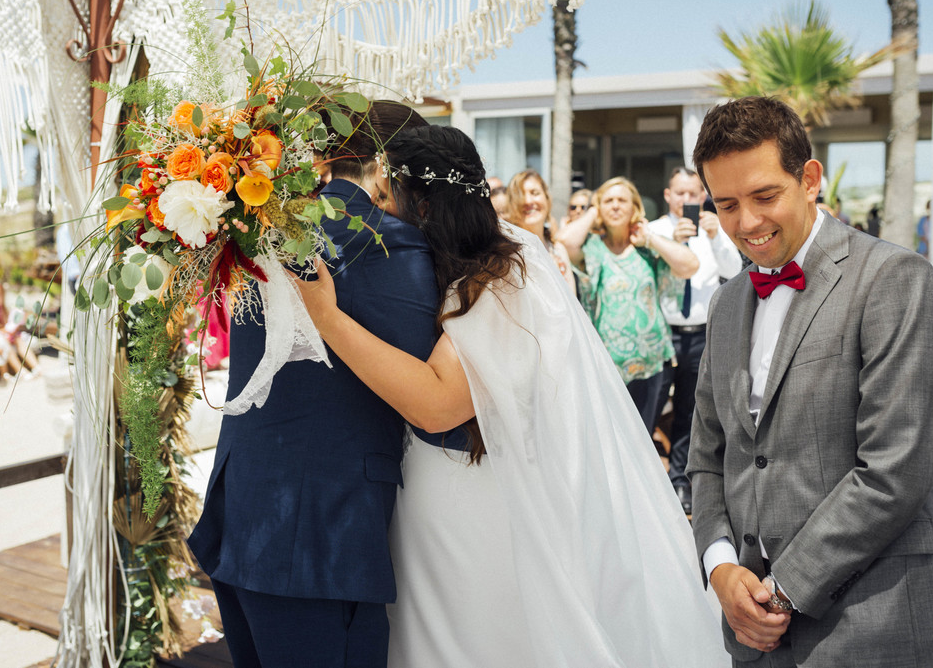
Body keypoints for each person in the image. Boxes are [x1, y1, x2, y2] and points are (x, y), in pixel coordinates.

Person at [295, 125, 728, 668]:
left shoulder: (502, 274)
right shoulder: (473, 260)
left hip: (472, 499)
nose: (379, 211)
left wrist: (326, 317)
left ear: (421, 204)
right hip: (439, 492)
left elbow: (438, 404)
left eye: (385, 197)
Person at [687, 96, 933, 667]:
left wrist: (784, 587)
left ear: (810, 179)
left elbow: (894, 471)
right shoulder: (725, 306)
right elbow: (708, 455)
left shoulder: (896, 280)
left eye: (765, 196)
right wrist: (720, 567)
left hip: (878, 625)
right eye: (726, 204)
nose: (747, 223)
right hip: (755, 638)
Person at [187, 101, 452, 668]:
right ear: (388, 166)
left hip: (247, 516)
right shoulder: (390, 245)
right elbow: (433, 396)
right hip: (320, 542)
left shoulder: (257, 231)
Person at [558, 177, 699, 433]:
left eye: (622, 200)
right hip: (605, 368)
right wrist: (593, 209)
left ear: (635, 208)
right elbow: (565, 242)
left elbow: (690, 265)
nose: (614, 206)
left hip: (653, 366)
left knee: (643, 444)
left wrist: (650, 238)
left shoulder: (645, 249)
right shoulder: (592, 248)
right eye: (608, 201)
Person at [649, 167, 741, 514]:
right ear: (668, 195)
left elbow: (733, 271)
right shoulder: (655, 230)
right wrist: (674, 239)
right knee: (650, 407)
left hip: (702, 333)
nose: (689, 200)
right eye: (681, 193)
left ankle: (679, 483)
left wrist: (717, 238)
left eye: (695, 193)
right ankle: (645, 481)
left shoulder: (714, 228)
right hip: (663, 332)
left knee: (690, 411)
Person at [503, 169, 576, 292]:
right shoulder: (508, 254)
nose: (528, 201)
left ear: (547, 198)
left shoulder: (558, 250)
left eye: (535, 193)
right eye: (520, 195)